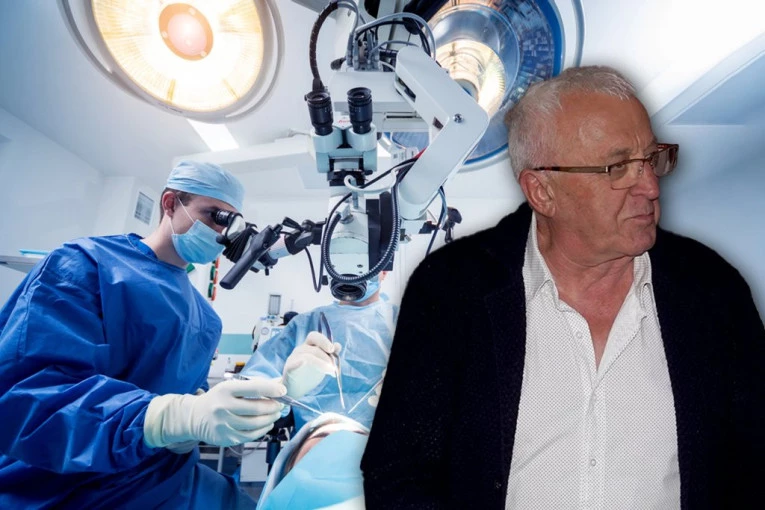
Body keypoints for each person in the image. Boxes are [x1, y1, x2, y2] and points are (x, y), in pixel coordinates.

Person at [361, 66, 765, 509]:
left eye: (651, 160)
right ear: (542, 192)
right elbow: (398, 475)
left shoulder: (712, 292)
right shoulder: (452, 291)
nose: (650, 187)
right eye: (618, 167)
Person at [0, 161, 287, 509]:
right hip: (66, 485)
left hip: (163, 475)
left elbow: (185, 395)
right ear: (170, 203)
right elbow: (27, 399)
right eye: (213, 215)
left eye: (229, 223)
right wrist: (166, 419)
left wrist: (198, 420)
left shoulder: (206, 317)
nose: (220, 232)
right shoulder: (85, 265)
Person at [241, 272, 396, 432]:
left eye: (365, 264)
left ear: (384, 270)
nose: (355, 271)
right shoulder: (304, 325)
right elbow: (250, 396)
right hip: (315, 441)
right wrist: (282, 389)